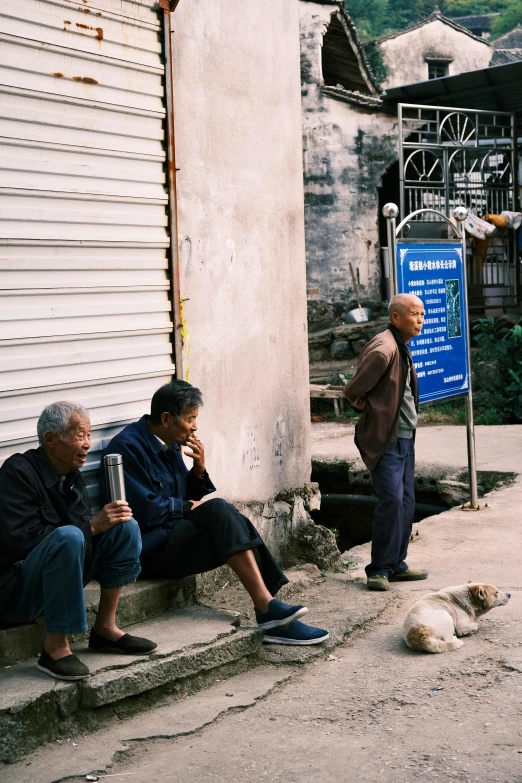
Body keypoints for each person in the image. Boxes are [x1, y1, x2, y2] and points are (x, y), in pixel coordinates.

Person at [99, 381, 329, 646]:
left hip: (172, 536)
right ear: (166, 419)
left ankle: (272, 612)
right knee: (222, 512)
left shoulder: (171, 442)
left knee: (231, 521)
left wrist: (198, 469)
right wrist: (185, 507)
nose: (195, 426)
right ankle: (269, 610)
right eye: (190, 418)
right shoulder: (127, 448)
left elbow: (187, 496)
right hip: (148, 551)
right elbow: (143, 510)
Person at [0, 402, 157, 681]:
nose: (88, 444)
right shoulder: (17, 472)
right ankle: (55, 648)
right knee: (70, 535)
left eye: (89, 435)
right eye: (80, 435)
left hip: (55, 580)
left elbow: (85, 533)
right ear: (51, 439)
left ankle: (105, 629)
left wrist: (100, 526)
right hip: (15, 591)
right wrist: (92, 526)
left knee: (125, 526)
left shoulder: (71, 476)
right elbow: (23, 540)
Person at [344, 293, 429, 591]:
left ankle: (396, 564)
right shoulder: (384, 349)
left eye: (422, 314)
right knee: (391, 501)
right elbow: (354, 390)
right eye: (414, 314)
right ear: (396, 317)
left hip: (405, 436)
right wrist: (372, 412)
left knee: (406, 501)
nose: (420, 320)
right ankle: (378, 568)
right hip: (386, 439)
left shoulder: (400, 345)